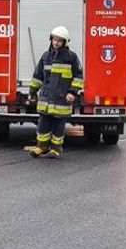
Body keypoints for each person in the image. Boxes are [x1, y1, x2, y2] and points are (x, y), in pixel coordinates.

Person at [27, 26, 84, 159]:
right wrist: (32, 91)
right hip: (46, 99)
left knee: (59, 126)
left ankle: (56, 149)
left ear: (65, 42)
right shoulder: (45, 56)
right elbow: (37, 76)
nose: (56, 42)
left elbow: (78, 76)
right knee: (43, 124)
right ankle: (41, 147)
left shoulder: (71, 57)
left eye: (60, 40)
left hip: (61, 99)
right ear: (51, 40)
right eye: (54, 39)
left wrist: (73, 92)